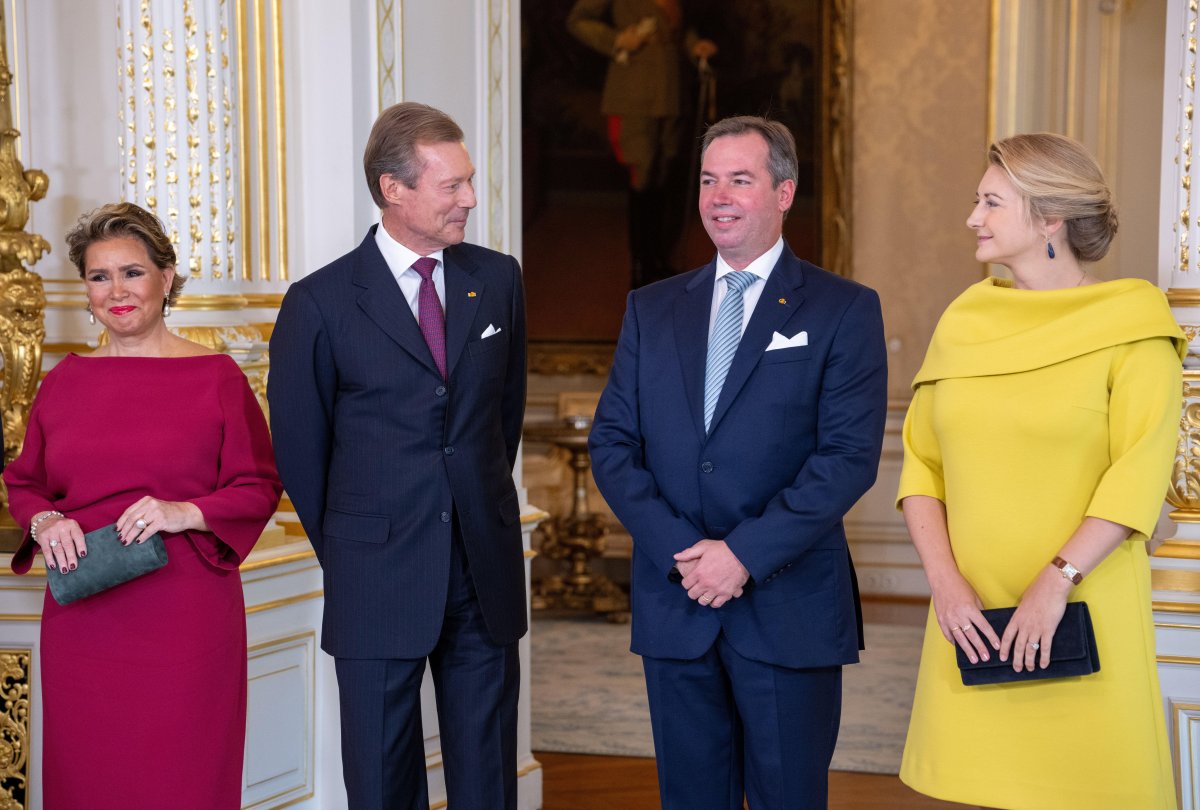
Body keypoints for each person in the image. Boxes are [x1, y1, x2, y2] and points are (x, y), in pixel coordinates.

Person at [589, 115, 887, 809]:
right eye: (707, 179)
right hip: (677, 601)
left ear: (784, 192)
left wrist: (743, 555)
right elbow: (612, 444)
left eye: (740, 179)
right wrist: (684, 551)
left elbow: (846, 459)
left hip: (787, 608)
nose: (719, 195)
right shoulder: (651, 308)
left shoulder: (845, 309)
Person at [897, 133, 1182, 809]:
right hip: (970, 613)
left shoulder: (1133, 324)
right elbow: (920, 466)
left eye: (992, 202)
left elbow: (1136, 474)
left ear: (1050, 218)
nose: (973, 217)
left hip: (1082, 607)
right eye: (977, 201)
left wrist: (1055, 585)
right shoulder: (965, 318)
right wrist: (946, 585)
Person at [267, 101, 528, 810]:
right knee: (383, 783)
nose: (471, 198)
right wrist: (358, 547)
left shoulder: (497, 278)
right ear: (394, 188)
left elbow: (499, 422)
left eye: (469, 181)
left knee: (488, 780)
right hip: (375, 574)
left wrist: (469, 509)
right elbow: (301, 450)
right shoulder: (318, 303)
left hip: (482, 570)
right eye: (453, 186)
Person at [3, 202, 282, 808]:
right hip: (85, 620)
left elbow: (258, 484)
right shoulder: (64, 382)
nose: (116, 291)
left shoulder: (216, 378)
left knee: (180, 778)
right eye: (99, 277)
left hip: (184, 615)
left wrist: (184, 512)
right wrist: (46, 518)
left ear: (168, 277)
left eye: (132, 272)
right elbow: (25, 482)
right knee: (90, 779)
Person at [567, 0, 717, 288]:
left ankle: (656, 260)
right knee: (642, 178)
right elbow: (578, 20)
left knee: (661, 177)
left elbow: (676, 30)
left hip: (669, 93)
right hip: (633, 94)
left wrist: (694, 45)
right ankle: (640, 267)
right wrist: (616, 40)